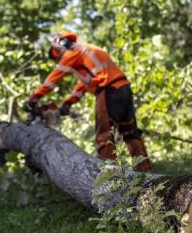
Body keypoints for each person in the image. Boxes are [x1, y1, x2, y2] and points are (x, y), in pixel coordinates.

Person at [23, 30, 153, 172]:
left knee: (104, 134)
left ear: (61, 43)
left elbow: (53, 79)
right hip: (123, 88)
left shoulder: (73, 51)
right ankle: (145, 171)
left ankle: (111, 175)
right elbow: (84, 83)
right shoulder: (87, 49)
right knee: (130, 133)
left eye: (58, 53)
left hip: (109, 90)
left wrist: (34, 97)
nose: (60, 57)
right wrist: (69, 102)